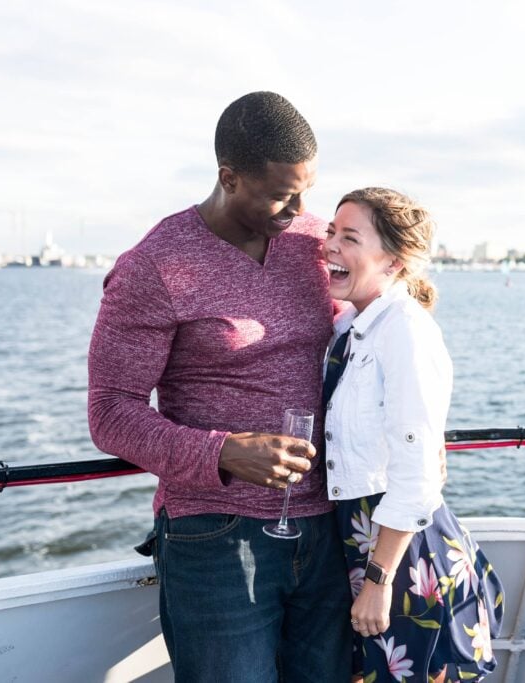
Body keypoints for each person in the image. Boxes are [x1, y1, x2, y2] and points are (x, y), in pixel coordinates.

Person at [87, 92, 352, 682]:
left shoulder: (315, 243)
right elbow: (111, 411)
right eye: (283, 193)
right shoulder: (153, 266)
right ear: (229, 178)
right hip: (216, 533)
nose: (301, 209)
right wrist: (225, 452)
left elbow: (384, 324)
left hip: (330, 524)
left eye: (306, 189)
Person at [321, 188, 505, 682]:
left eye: (350, 237)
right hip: (358, 539)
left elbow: (418, 467)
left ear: (394, 262)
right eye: (331, 232)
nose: (331, 246)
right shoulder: (351, 327)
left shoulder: (405, 330)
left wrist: (379, 580)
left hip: (402, 552)